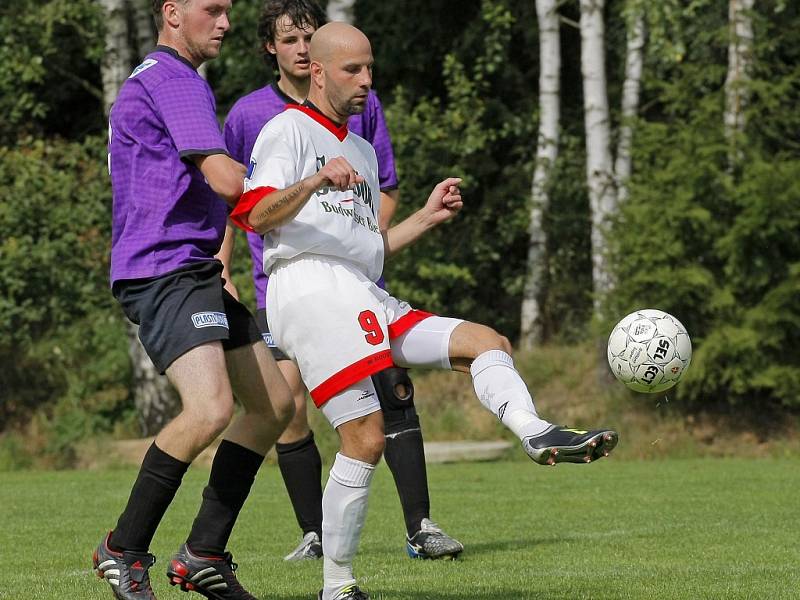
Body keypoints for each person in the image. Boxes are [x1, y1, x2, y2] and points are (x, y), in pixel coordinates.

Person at [231, 21, 618, 600]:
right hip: (309, 291)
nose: (366, 81)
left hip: (362, 290)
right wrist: (315, 178)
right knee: (365, 436)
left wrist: (425, 218)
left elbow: (368, 247)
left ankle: (536, 434)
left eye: (370, 69)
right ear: (316, 70)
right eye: (352, 70)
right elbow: (255, 215)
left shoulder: (359, 149)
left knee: (486, 341)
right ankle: (337, 588)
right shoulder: (285, 131)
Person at [220, 0, 462, 563]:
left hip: (351, 282)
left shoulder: (361, 102)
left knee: (392, 390)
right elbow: (234, 200)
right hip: (283, 286)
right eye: (290, 39)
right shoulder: (252, 115)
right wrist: (222, 265)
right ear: (270, 49)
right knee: (285, 408)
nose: (303, 48)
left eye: (309, 36)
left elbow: (385, 184)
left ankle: (420, 524)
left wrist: (363, 246)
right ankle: (315, 533)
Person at [92, 1, 294, 599]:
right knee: (209, 410)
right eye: (213, 9)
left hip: (194, 267)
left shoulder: (162, 78)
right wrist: (306, 190)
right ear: (173, 12)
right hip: (166, 269)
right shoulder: (174, 78)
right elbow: (227, 182)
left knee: (273, 404)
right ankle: (122, 550)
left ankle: (203, 552)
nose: (226, 23)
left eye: (230, 11)